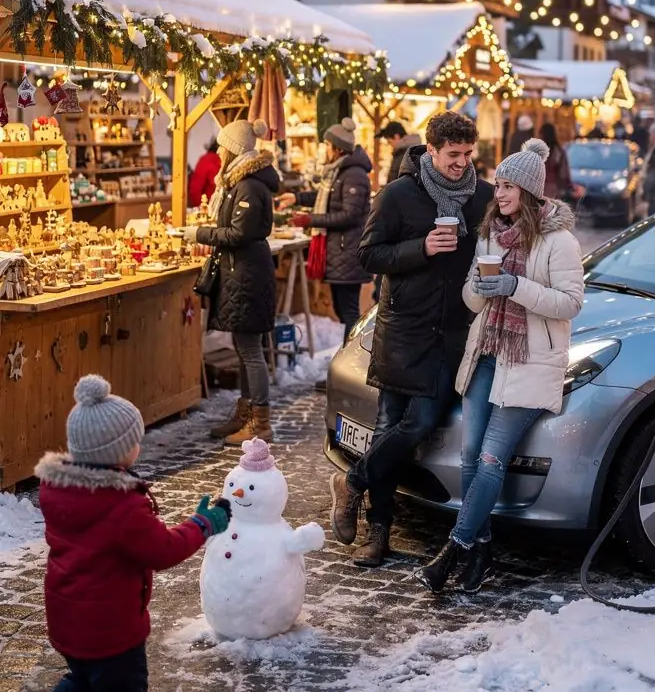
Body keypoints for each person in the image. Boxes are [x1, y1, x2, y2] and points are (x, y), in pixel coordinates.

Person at [18, 376, 229, 692]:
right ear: (117, 450)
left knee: (82, 679)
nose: (139, 445)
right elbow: (162, 550)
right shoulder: (121, 506)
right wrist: (203, 524)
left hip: (68, 617)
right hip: (111, 626)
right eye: (135, 439)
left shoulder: (61, 489)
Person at [328, 111, 493, 568]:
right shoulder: (398, 195)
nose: (461, 163)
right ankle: (377, 532)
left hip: (452, 335)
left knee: (419, 424)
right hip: (402, 328)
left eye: (467, 154)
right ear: (432, 151)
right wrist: (421, 248)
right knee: (388, 426)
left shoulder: (482, 198)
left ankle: (353, 481)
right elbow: (368, 255)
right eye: (453, 155)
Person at [419, 141, 584, 593]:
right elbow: (473, 301)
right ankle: (481, 550)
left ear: (528, 191)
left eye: (508, 185)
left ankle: (454, 549)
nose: (500, 192)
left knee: (491, 458)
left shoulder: (558, 240)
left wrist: (516, 285)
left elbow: (570, 304)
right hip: (488, 352)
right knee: (471, 455)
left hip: (531, 360)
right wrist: (481, 285)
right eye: (499, 184)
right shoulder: (490, 232)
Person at [187, 118, 280, 444]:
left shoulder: (249, 186)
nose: (220, 151)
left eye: (224, 145)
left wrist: (199, 234)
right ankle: (246, 413)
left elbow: (240, 233)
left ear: (235, 150)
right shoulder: (238, 183)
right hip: (241, 273)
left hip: (248, 276)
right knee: (244, 350)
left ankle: (261, 423)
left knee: (251, 352)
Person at [293, 118, 372, 343]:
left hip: (347, 252)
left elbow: (350, 214)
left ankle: (350, 359)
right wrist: (296, 198)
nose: (324, 150)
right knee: (341, 308)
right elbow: (324, 198)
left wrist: (310, 220)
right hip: (340, 252)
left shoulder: (353, 174)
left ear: (337, 149)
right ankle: (348, 357)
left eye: (327, 145)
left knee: (348, 311)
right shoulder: (337, 172)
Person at [540, 121, 573, 200]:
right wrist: (569, 186)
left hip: (538, 189)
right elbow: (564, 173)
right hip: (553, 190)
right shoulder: (558, 151)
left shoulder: (537, 151)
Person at [188, 138, 220, 208]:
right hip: (210, 207)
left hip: (210, 207)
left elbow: (195, 189)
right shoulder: (209, 161)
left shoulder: (206, 160)